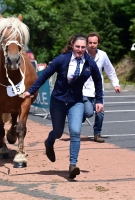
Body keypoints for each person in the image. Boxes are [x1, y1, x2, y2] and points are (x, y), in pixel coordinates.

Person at [23, 34, 103, 179]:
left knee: (75, 132)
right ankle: (49, 142)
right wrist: (30, 91)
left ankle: (73, 165)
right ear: (72, 45)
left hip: (76, 102)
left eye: (83, 47)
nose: (80, 50)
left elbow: (98, 81)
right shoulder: (62, 59)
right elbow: (44, 75)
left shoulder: (89, 63)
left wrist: (99, 100)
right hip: (58, 101)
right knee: (58, 132)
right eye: (77, 46)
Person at [83, 32, 121, 143]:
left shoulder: (102, 55)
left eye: (94, 43)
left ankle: (97, 133)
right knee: (89, 112)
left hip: (98, 90)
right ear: (86, 43)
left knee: (100, 112)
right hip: (84, 89)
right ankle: (82, 115)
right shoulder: (81, 54)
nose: (92, 45)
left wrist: (116, 84)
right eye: (90, 43)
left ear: (98, 43)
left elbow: (110, 70)